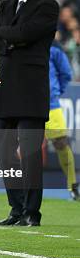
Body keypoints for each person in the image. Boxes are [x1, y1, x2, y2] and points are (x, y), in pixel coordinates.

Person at [0, 0, 59, 227]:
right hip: (5, 88)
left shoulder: (48, 6)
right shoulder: (6, 6)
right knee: (3, 152)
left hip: (31, 90)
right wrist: (9, 38)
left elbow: (26, 34)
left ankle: (31, 213)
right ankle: (15, 209)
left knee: (29, 154)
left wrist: (7, 35)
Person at [45, 42, 79, 200]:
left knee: (60, 142)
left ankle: (72, 185)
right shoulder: (24, 44)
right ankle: (25, 188)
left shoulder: (54, 50)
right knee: (26, 145)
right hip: (27, 104)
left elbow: (65, 73)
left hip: (51, 104)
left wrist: (54, 91)